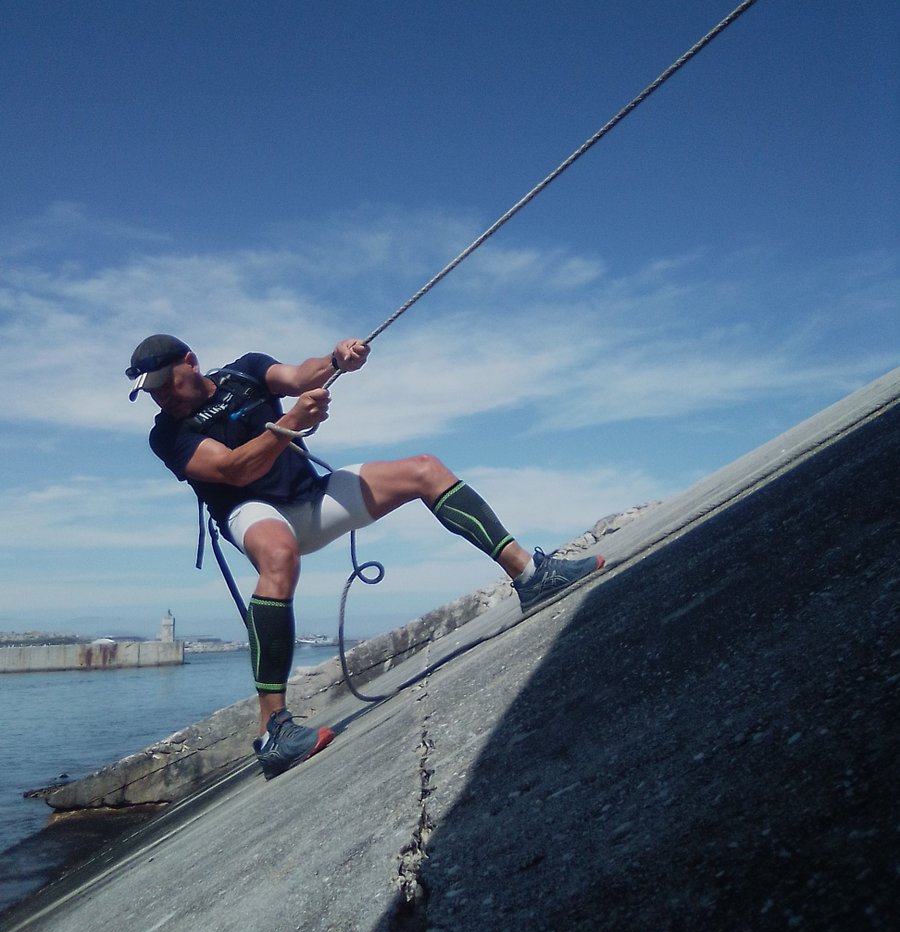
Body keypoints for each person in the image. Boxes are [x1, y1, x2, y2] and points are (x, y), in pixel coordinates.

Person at [127, 333, 602, 779]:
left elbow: (299, 377)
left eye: (164, 383)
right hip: (251, 511)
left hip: (310, 496)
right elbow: (231, 470)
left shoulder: (244, 371)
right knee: (277, 554)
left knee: (425, 470)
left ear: (189, 361)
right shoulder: (166, 435)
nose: (160, 396)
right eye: (151, 391)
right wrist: (291, 422)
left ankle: (531, 575)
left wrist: (337, 361)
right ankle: (274, 730)